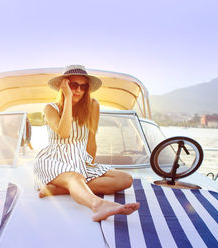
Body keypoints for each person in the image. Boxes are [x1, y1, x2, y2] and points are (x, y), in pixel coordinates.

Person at [34, 65, 140, 221]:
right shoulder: (51, 108)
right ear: (64, 86)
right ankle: (98, 205)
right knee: (75, 177)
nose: (78, 90)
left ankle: (59, 189)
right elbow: (64, 132)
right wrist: (68, 98)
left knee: (125, 179)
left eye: (83, 86)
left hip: (80, 160)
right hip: (54, 159)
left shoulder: (93, 106)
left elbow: (91, 139)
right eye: (73, 85)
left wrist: (90, 163)